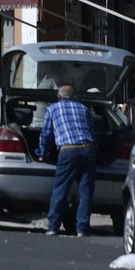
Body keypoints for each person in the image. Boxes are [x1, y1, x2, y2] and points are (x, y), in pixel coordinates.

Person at [38, 83, 96, 237]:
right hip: (88, 148)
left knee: (61, 189)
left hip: (68, 150)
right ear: (75, 96)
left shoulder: (52, 109)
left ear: (59, 96)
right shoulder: (84, 109)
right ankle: (82, 228)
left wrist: (42, 153)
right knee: (86, 191)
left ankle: (53, 226)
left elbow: (46, 134)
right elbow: (91, 131)